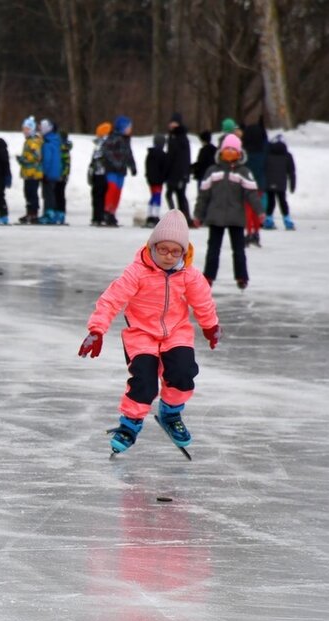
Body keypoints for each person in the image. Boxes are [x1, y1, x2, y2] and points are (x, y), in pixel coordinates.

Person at [78, 209, 221, 455]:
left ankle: (171, 413)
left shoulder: (189, 275)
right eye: (162, 249)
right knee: (144, 382)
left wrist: (210, 326)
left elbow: (203, 302)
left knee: (183, 374)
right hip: (141, 334)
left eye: (175, 251)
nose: (168, 256)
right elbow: (111, 300)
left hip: (176, 332)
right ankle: (130, 424)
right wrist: (97, 329)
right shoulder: (137, 272)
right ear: (152, 247)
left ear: (184, 252)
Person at [193, 133, 264, 290]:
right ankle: (209, 276)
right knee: (213, 249)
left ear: (239, 153)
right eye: (227, 150)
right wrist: (198, 214)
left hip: (236, 218)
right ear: (221, 152)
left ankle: (241, 277)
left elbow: (252, 194)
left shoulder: (243, 172)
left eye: (233, 150)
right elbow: (203, 195)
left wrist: (260, 211)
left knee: (238, 250)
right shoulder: (212, 171)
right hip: (215, 217)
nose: (230, 153)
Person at [101, 115, 137, 226]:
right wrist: (115, 162)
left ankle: (112, 212)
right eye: (128, 127)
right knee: (112, 189)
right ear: (122, 128)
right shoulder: (113, 137)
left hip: (121, 170)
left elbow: (129, 154)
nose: (130, 130)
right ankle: (107, 212)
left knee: (118, 192)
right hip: (112, 170)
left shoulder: (127, 140)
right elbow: (106, 150)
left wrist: (132, 166)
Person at [241, 117, 268, 246]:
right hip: (260, 183)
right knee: (257, 209)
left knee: (248, 209)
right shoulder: (263, 150)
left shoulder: (245, 152)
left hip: (247, 183)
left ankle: (248, 233)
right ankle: (256, 233)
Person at [264, 134, 296, 230]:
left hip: (269, 182)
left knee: (270, 202)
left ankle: (268, 220)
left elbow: (263, 168)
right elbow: (291, 172)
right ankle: (287, 220)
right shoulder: (287, 155)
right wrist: (292, 185)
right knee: (283, 201)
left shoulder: (267, 154)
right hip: (281, 183)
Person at [165, 112, 192, 224]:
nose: (172, 125)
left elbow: (185, 158)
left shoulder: (182, 138)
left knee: (180, 195)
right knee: (170, 194)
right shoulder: (172, 137)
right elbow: (170, 156)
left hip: (180, 173)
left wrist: (185, 174)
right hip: (172, 172)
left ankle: (185, 218)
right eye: (171, 123)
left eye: (175, 123)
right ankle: (177, 217)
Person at [15, 116, 43, 224]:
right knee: (27, 193)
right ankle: (29, 212)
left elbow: (37, 156)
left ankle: (33, 213)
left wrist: (24, 160)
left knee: (32, 193)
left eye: (26, 129)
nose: (24, 131)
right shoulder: (28, 141)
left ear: (31, 129)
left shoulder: (34, 141)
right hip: (28, 172)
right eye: (23, 129)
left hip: (33, 173)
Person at [40, 118, 63, 224]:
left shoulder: (47, 142)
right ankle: (51, 212)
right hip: (55, 172)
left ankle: (49, 213)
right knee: (51, 193)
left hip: (49, 172)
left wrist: (44, 172)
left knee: (47, 193)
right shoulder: (55, 140)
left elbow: (47, 159)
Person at [88, 122, 112, 226]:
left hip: (99, 174)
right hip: (102, 174)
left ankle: (98, 217)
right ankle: (99, 216)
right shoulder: (105, 143)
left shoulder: (101, 144)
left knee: (98, 196)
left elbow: (95, 160)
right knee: (100, 196)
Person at [144, 134, 168, 226]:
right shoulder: (163, 155)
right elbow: (165, 168)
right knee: (157, 196)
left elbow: (147, 167)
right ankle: (154, 215)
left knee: (153, 196)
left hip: (151, 180)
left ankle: (150, 214)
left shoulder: (150, 154)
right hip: (158, 180)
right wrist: (164, 177)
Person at [57, 129, 72, 222]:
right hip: (59, 174)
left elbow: (66, 163)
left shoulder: (64, 149)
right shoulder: (62, 148)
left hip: (62, 175)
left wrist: (63, 174)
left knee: (60, 194)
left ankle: (61, 213)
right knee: (58, 194)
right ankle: (59, 213)